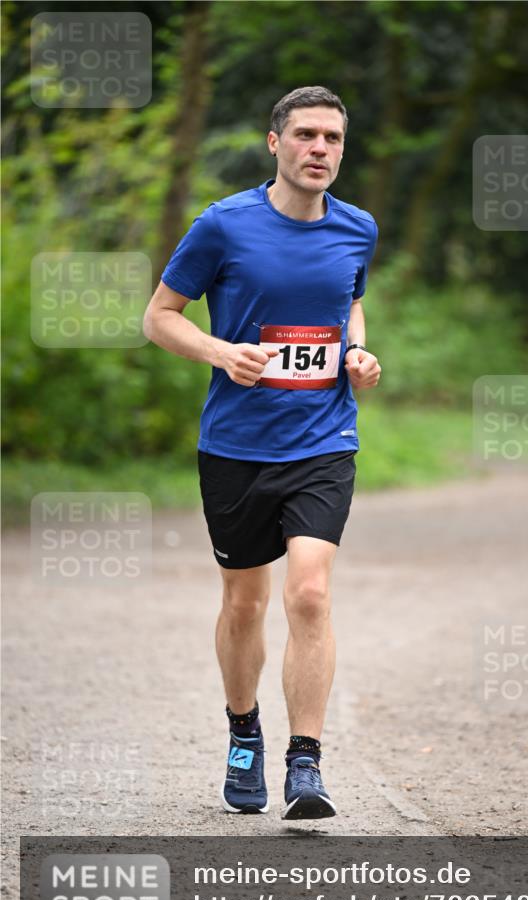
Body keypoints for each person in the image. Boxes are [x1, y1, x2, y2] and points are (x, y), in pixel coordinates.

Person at [143, 85, 380, 820]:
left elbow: (348, 300)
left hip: (323, 439)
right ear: (274, 142)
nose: (319, 149)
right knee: (244, 604)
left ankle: (305, 763)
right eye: (306, 135)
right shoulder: (223, 225)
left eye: (332, 138)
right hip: (237, 446)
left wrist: (357, 351)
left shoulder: (358, 228)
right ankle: (243, 732)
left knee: (309, 592)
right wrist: (220, 352)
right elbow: (159, 317)